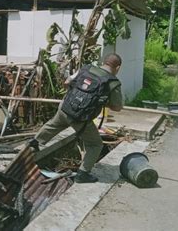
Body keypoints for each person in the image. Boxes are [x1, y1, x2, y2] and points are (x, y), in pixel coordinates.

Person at [29, 53, 123, 183]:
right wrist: (101, 100)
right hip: (81, 118)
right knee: (95, 144)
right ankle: (83, 174)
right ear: (117, 68)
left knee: (53, 125)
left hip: (65, 107)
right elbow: (117, 107)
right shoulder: (112, 83)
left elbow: (67, 82)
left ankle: (34, 143)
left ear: (103, 62)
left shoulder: (86, 68)